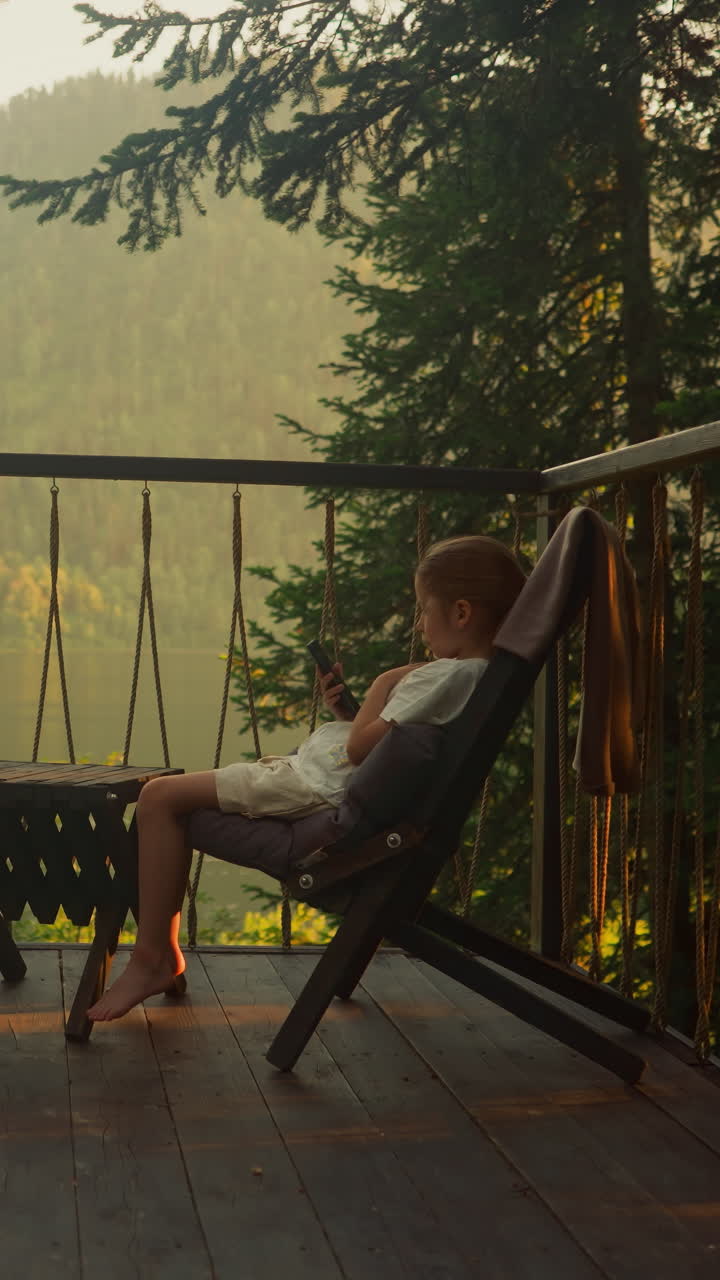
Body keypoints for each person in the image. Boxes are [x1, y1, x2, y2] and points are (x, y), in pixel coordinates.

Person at [88, 534, 526, 1022]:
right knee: (166, 801)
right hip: (321, 781)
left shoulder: (445, 673)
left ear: (462, 613)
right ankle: (157, 957)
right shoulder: (473, 676)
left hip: (311, 789)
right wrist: (347, 712)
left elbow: (361, 748)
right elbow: (383, 748)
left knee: (157, 799)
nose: (420, 623)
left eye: (425, 609)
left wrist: (385, 681)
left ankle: (154, 959)